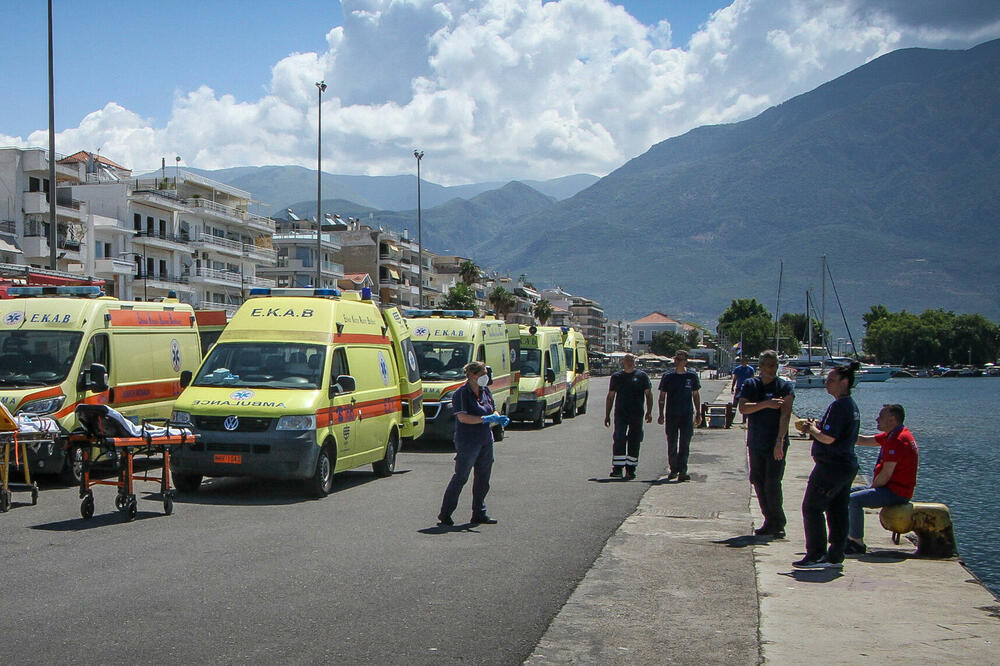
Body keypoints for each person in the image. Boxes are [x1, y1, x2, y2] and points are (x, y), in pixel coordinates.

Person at [792, 362, 861, 569]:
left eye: (831, 380)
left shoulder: (841, 406)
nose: (826, 383)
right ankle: (836, 554)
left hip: (831, 466)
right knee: (837, 509)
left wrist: (812, 429)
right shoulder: (850, 405)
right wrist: (817, 427)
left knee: (812, 507)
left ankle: (816, 553)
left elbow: (829, 438)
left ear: (845, 382)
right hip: (845, 465)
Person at [438, 362, 509, 526]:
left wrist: (497, 417)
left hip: (485, 439)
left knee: (483, 478)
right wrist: (484, 419)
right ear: (471, 375)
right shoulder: (461, 394)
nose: (486, 376)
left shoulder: (485, 391)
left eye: (486, 373)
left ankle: (479, 513)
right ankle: (445, 514)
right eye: (482, 373)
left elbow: (493, 409)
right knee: (461, 477)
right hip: (468, 441)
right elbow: (462, 417)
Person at [845, 404, 918, 554]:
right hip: (889, 488)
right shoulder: (893, 435)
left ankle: (856, 542)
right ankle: (847, 536)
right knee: (843, 493)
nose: (877, 419)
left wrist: (871, 489)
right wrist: (841, 434)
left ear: (892, 419)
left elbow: (885, 475)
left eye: (881, 417)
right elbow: (864, 441)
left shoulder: (898, 440)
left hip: (896, 491)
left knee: (854, 500)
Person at [738, 350, 794, 538]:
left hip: (775, 442)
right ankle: (769, 519)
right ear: (761, 366)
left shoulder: (784, 387)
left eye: (775, 365)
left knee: (772, 482)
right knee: (758, 480)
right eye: (769, 365)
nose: (772, 369)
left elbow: (786, 414)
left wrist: (780, 441)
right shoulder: (751, 385)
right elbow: (744, 408)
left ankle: (778, 522)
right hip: (756, 441)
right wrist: (766, 404)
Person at [604, 353, 653, 480]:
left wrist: (649, 412)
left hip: (636, 413)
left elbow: (648, 394)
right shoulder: (616, 377)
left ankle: (631, 469)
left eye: (631, 360)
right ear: (623, 362)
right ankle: (618, 469)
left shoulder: (642, 376)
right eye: (627, 360)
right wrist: (607, 415)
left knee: (634, 440)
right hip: (621, 413)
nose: (629, 362)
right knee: (619, 438)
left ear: (635, 362)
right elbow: (610, 396)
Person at [657, 349, 702, 481]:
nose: (678, 361)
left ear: (686, 361)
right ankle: (673, 469)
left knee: (684, 443)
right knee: (672, 443)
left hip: (686, 414)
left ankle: (683, 470)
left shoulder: (691, 376)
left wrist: (698, 413)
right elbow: (662, 396)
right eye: (677, 359)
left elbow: (695, 394)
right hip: (671, 414)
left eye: (681, 359)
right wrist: (660, 413)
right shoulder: (668, 376)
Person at [731, 357, 756, 423]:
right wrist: (732, 387)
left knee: (745, 404)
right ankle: (731, 419)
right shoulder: (738, 369)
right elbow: (735, 378)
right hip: (739, 388)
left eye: (744, 361)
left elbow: (752, 379)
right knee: (735, 404)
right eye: (742, 361)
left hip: (747, 389)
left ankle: (744, 420)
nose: (743, 362)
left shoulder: (750, 369)